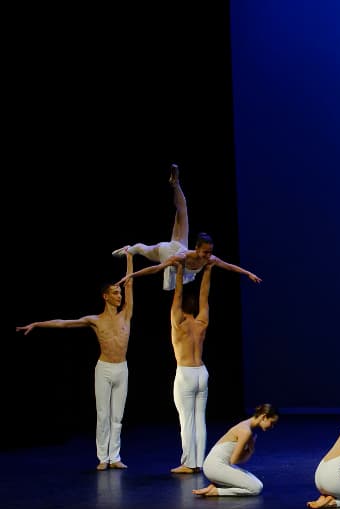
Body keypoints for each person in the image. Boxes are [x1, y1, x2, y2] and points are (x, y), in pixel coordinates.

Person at [16, 252, 134, 471]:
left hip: (122, 369)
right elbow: (63, 324)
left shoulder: (126, 314)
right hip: (104, 369)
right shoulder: (95, 321)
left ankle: (115, 456)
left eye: (120, 293)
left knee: (117, 415)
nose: (120, 297)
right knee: (103, 414)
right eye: (115, 293)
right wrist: (37, 324)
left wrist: (129, 257)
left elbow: (130, 282)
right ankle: (103, 458)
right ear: (105, 297)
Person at [113, 164, 262, 289]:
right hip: (168, 251)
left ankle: (175, 183)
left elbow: (229, 266)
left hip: (179, 245)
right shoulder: (182, 257)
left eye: (210, 252)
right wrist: (132, 275)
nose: (208, 255)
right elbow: (156, 269)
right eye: (205, 252)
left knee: (183, 210)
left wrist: (248, 273)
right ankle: (129, 249)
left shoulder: (209, 259)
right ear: (197, 249)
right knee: (141, 249)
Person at [168, 260, 214, 474]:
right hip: (201, 372)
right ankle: (200, 462)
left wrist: (178, 271)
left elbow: (177, 296)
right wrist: (208, 270)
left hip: (186, 373)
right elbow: (204, 295)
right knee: (199, 419)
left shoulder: (179, 324)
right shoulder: (202, 322)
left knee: (187, 419)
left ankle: (189, 463)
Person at [191, 404, 279, 497]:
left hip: (217, 465)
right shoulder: (246, 431)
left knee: (258, 483)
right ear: (264, 417)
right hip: (215, 467)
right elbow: (234, 460)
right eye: (272, 422)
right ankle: (216, 491)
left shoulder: (246, 426)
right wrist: (250, 451)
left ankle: (216, 485)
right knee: (256, 488)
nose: (272, 426)